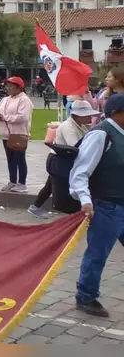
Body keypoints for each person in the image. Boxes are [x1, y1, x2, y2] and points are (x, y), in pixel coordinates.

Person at [70, 93, 124, 318]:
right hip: (106, 206)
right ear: (117, 113)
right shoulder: (101, 134)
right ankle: (86, 295)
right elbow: (80, 172)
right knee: (98, 254)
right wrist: (85, 200)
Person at [28, 100, 99, 219]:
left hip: (66, 159)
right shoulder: (67, 126)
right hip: (59, 160)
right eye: (87, 115)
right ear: (77, 116)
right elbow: (75, 146)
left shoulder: (82, 125)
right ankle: (70, 213)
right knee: (61, 185)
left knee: (50, 184)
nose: (90, 118)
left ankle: (35, 206)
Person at [0, 77, 34, 193]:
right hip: (6, 135)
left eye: (11, 86)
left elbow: (23, 117)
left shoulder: (24, 100)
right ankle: (12, 181)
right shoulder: (5, 99)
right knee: (10, 159)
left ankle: (22, 183)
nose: (8, 88)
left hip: (19, 134)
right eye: (7, 86)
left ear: (19, 87)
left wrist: (5, 118)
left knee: (19, 159)